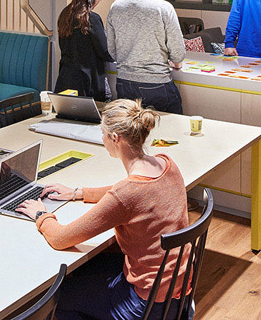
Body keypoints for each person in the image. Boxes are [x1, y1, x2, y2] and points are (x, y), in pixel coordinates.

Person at [16, 99, 189, 320]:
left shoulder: (127, 193)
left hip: (146, 305)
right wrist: (79, 192)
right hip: (178, 289)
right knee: (89, 268)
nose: (102, 139)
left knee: (59, 298)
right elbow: (130, 194)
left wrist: (41, 214)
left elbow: (60, 239)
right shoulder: (166, 164)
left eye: (103, 133)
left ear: (115, 138)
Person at [107, 0, 185, 114]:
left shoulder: (116, 7)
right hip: (157, 83)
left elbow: (112, 50)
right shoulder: (164, 8)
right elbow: (178, 52)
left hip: (124, 83)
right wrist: (176, 63)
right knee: (173, 124)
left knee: (131, 127)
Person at [55, 0, 114, 100]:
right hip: (88, 81)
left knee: (67, 111)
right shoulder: (92, 18)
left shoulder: (65, 14)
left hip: (66, 77)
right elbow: (104, 51)